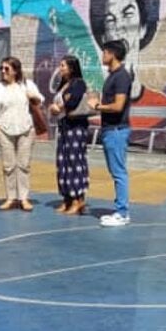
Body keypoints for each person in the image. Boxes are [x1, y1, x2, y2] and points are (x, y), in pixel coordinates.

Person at [0, 56, 44, 212]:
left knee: (24, 164)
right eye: (1, 68)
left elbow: (40, 100)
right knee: (8, 165)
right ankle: (11, 198)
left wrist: (32, 96)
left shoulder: (27, 85)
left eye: (6, 68)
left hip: (26, 130)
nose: (3, 71)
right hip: (4, 130)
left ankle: (24, 198)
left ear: (15, 70)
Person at [87, 40, 133, 227]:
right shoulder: (113, 76)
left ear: (112, 54)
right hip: (110, 129)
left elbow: (118, 106)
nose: (102, 55)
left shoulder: (122, 76)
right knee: (116, 171)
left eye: (104, 52)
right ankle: (120, 210)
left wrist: (97, 106)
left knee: (118, 172)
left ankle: (122, 212)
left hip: (116, 130)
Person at [48, 55, 91, 215]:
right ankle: (66, 198)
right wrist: (58, 107)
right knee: (63, 162)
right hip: (64, 126)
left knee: (75, 162)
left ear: (72, 68)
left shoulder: (78, 83)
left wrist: (58, 107)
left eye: (63, 66)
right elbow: (63, 103)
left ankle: (78, 200)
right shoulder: (63, 85)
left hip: (76, 127)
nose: (60, 68)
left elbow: (72, 103)